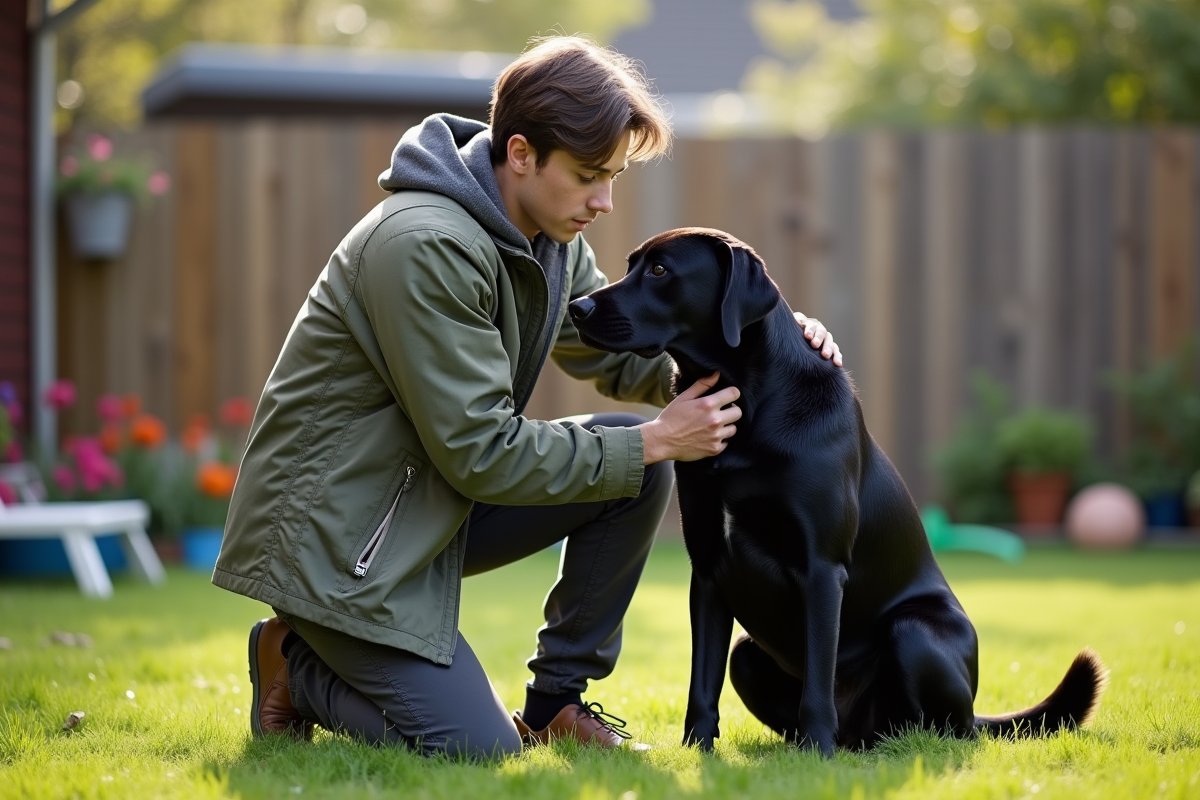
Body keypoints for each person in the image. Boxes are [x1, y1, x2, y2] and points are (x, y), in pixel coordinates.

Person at [213, 35, 843, 760]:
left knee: (636, 467)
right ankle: (294, 660)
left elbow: (617, 357)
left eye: (611, 177)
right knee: (477, 750)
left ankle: (554, 704)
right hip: (334, 540)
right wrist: (655, 438)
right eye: (587, 176)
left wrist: (769, 356)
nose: (604, 202)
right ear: (520, 154)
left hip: (420, 503)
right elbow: (481, 452)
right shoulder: (425, 247)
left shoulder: (548, 235)